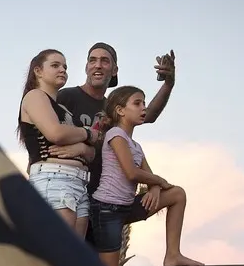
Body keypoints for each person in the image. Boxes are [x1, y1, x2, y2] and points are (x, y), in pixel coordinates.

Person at [56, 43, 176, 248]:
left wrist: (168, 84)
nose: (98, 65)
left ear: (114, 70)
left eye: (105, 61)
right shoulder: (66, 97)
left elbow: (150, 114)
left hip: (105, 202)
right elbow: (42, 130)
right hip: (68, 196)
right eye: (92, 60)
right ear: (86, 67)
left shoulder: (113, 108)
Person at [88, 85, 203, 266]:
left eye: (144, 103)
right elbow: (132, 173)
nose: (144, 108)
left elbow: (148, 176)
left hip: (126, 207)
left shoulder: (136, 146)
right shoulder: (115, 135)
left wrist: (156, 187)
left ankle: (173, 254)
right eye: (137, 103)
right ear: (120, 110)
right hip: (106, 210)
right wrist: (158, 180)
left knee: (177, 194)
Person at [17, 49, 103, 237]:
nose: (62, 70)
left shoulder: (63, 109)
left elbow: (91, 153)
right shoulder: (35, 96)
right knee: (57, 254)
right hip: (54, 180)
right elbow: (56, 133)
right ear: (38, 71)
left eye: (65, 66)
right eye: (55, 65)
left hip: (77, 183)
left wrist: (81, 146)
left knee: (73, 260)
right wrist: (87, 133)